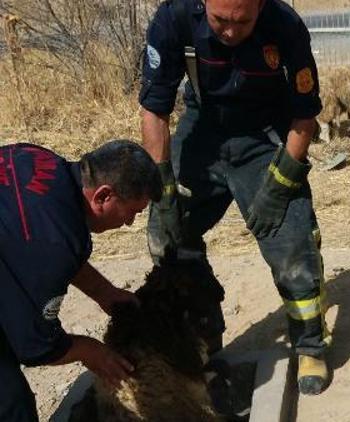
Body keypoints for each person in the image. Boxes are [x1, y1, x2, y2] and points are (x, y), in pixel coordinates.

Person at [139, 0, 330, 395]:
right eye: (220, 20)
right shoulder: (174, 18)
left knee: (293, 244)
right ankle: (202, 336)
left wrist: (279, 185)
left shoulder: (285, 25)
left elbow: (304, 117)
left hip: (264, 132)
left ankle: (310, 343)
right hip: (203, 127)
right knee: (167, 236)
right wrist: (165, 190)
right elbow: (154, 112)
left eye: (241, 22)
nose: (229, 31)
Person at [0, 140, 162, 421]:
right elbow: (34, 345)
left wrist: (104, 291)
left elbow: (34, 246)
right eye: (133, 212)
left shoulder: (38, 158)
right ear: (103, 196)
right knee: (12, 409)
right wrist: (90, 351)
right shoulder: (54, 243)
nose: (130, 224)